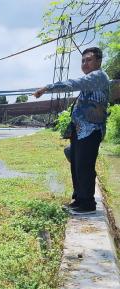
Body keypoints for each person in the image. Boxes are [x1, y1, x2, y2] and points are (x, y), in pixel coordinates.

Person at [34, 47, 110, 215]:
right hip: (81, 130)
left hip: (91, 131)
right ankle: (79, 199)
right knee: (76, 165)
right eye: (83, 61)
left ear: (98, 62)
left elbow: (72, 84)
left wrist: (47, 88)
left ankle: (87, 204)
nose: (85, 63)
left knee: (84, 166)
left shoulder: (98, 76)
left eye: (89, 60)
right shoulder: (90, 80)